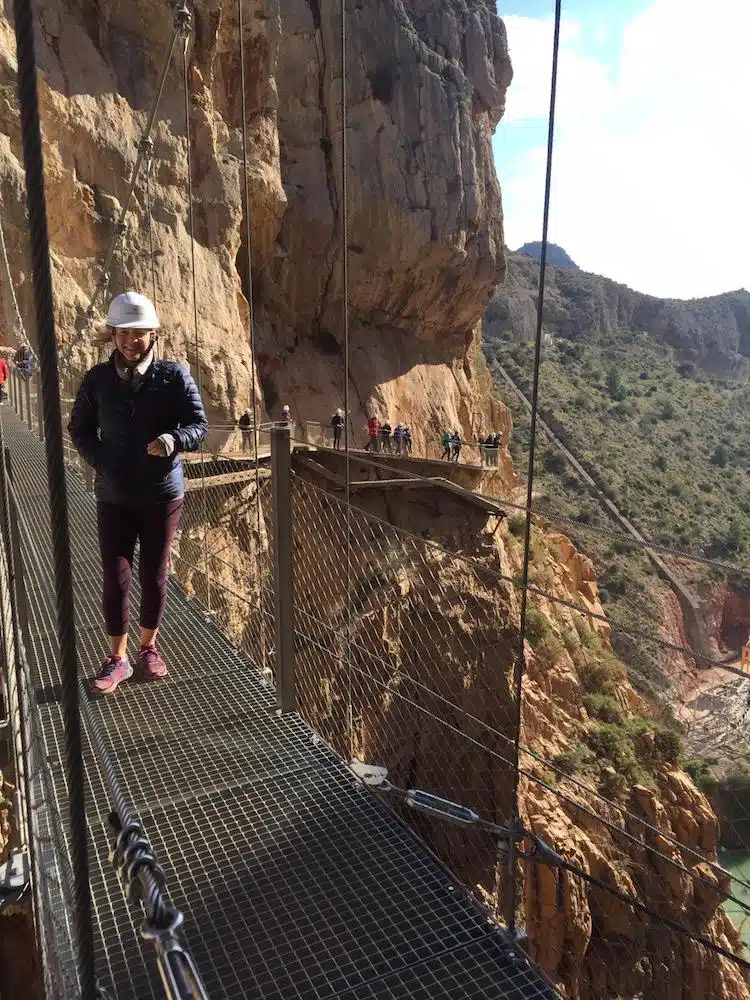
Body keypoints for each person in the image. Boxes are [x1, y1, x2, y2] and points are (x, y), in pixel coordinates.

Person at [68, 291, 207, 695]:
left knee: (154, 574)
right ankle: (117, 658)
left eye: (140, 332)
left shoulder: (174, 377)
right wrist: (103, 461)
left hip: (162, 493)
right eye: (123, 332)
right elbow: (79, 429)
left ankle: (148, 647)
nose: (131, 340)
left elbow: (198, 426)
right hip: (113, 493)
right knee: (115, 578)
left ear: (154, 334)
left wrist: (172, 439)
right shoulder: (97, 380)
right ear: (113, 335)